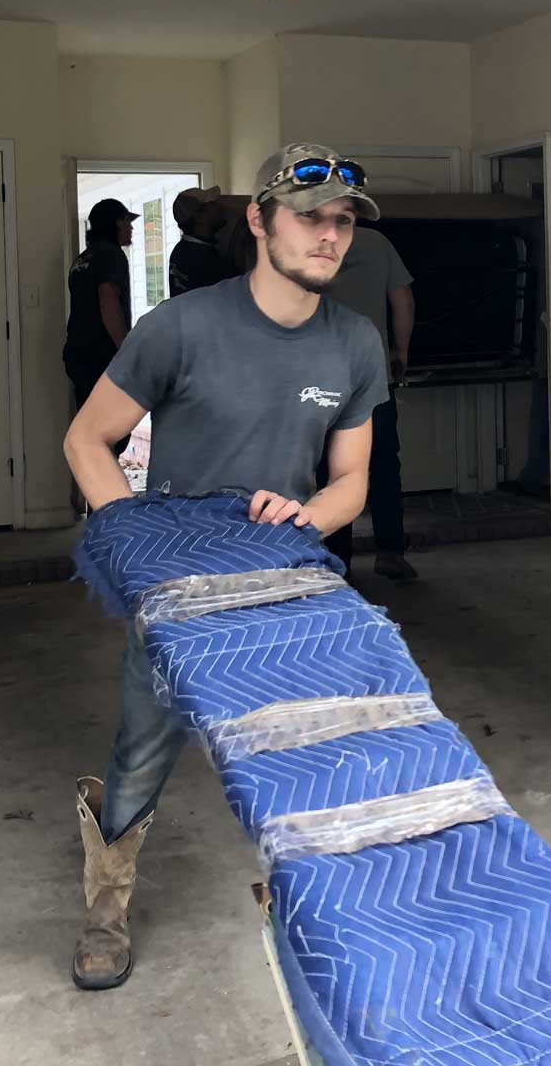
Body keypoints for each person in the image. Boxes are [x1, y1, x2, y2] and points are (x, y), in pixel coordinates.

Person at [60, 143, 388, 992]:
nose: (329, 235)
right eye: (309, 216)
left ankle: (318, 912)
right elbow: (85, 440)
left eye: (343, 222)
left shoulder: (354, 343)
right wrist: (138, 556)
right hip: (178, 591)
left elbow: (350, 482)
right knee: (141, 755)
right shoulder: (181, 325)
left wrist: (305, 518)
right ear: (258, 220)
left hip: (287, 589)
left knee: (311, 755)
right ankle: (104, 907)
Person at [323, 224, 419, 582]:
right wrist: (400, 351)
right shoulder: (377, 242)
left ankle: (336, 563)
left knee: (325, 470)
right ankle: (391, 552)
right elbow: (403, 299)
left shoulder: (306, 240)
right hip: (372, 372)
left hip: (319, 373)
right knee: (381, 464)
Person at [62, 198, 138, 410]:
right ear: (115, 223)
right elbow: (108, 302)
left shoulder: (82, 259)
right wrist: (126, 350)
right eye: (126, 221)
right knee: (114, 427)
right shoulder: (111, 255)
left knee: (90, 421)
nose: (130, 227)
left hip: (78, 354)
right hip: (101, 356)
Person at [167, 184, 236, 297]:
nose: (220, 207)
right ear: (200, 217)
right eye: (212, 204)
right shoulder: (205, 259)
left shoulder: (181, 251)